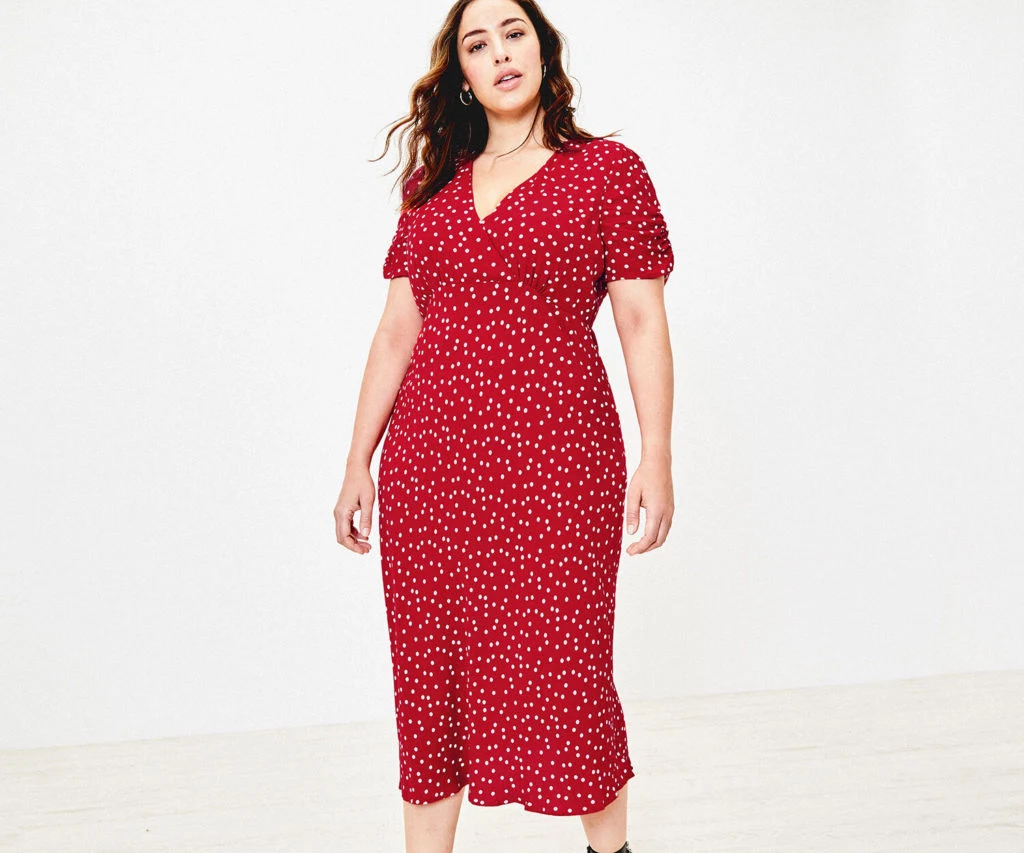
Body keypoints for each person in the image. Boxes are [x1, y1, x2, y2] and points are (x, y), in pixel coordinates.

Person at [334, 0, 675, 850]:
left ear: (544, 49)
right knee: (432, 677)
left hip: (560, 459)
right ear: (462, 72)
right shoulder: (431, 186)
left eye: (514, 33)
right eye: (477, 44)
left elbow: (640, 319)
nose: (500, 54)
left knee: (567, 669)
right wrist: (357, 462)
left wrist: (657, 454)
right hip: (432, 466)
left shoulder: (607, 172)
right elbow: (397, 331)